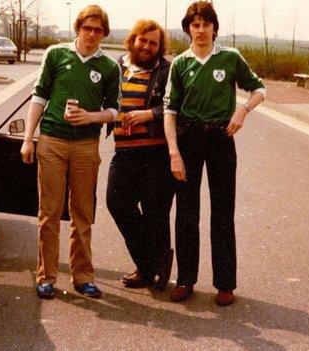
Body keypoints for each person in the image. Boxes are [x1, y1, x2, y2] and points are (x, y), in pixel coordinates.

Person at [163, 1, 265, 306]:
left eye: (207, 24)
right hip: (189, 138)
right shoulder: (180, 63)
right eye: (195, 25)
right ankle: (185, 280)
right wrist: (174, 153)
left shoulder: (230, 58)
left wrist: (243, 110)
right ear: (188, 30)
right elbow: (169, 111)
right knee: (186, 213)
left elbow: (260, 89)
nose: (201, 30)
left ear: (214, 28)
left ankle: (225, 283)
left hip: (221, 138)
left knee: (223, 212)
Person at [21, 4, 120, 300]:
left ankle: (83, 277)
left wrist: (91, 117)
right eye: (87, 28)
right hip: (52, 141)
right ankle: (46, 277)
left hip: (86, 145)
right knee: (49, 212)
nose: (92, 34)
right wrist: (28, 138)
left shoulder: (109, 67)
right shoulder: (56, 55)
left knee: (82, 213)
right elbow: (39, 96)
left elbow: (115, 110)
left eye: (98, 30)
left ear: (104, 33)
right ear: (78, 28)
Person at [106, 19, 174, 290]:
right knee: (116, 203)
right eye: (142, 41)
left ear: (159, 47)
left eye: (153, 43)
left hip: (156, 153)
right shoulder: (117, 67)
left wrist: (150, 113)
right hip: (123, 152)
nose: (146, 47)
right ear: (133, 40)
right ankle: (152, 263)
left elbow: (178, 107)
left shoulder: (167, 71)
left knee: (156, 213)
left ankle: (151, 271)